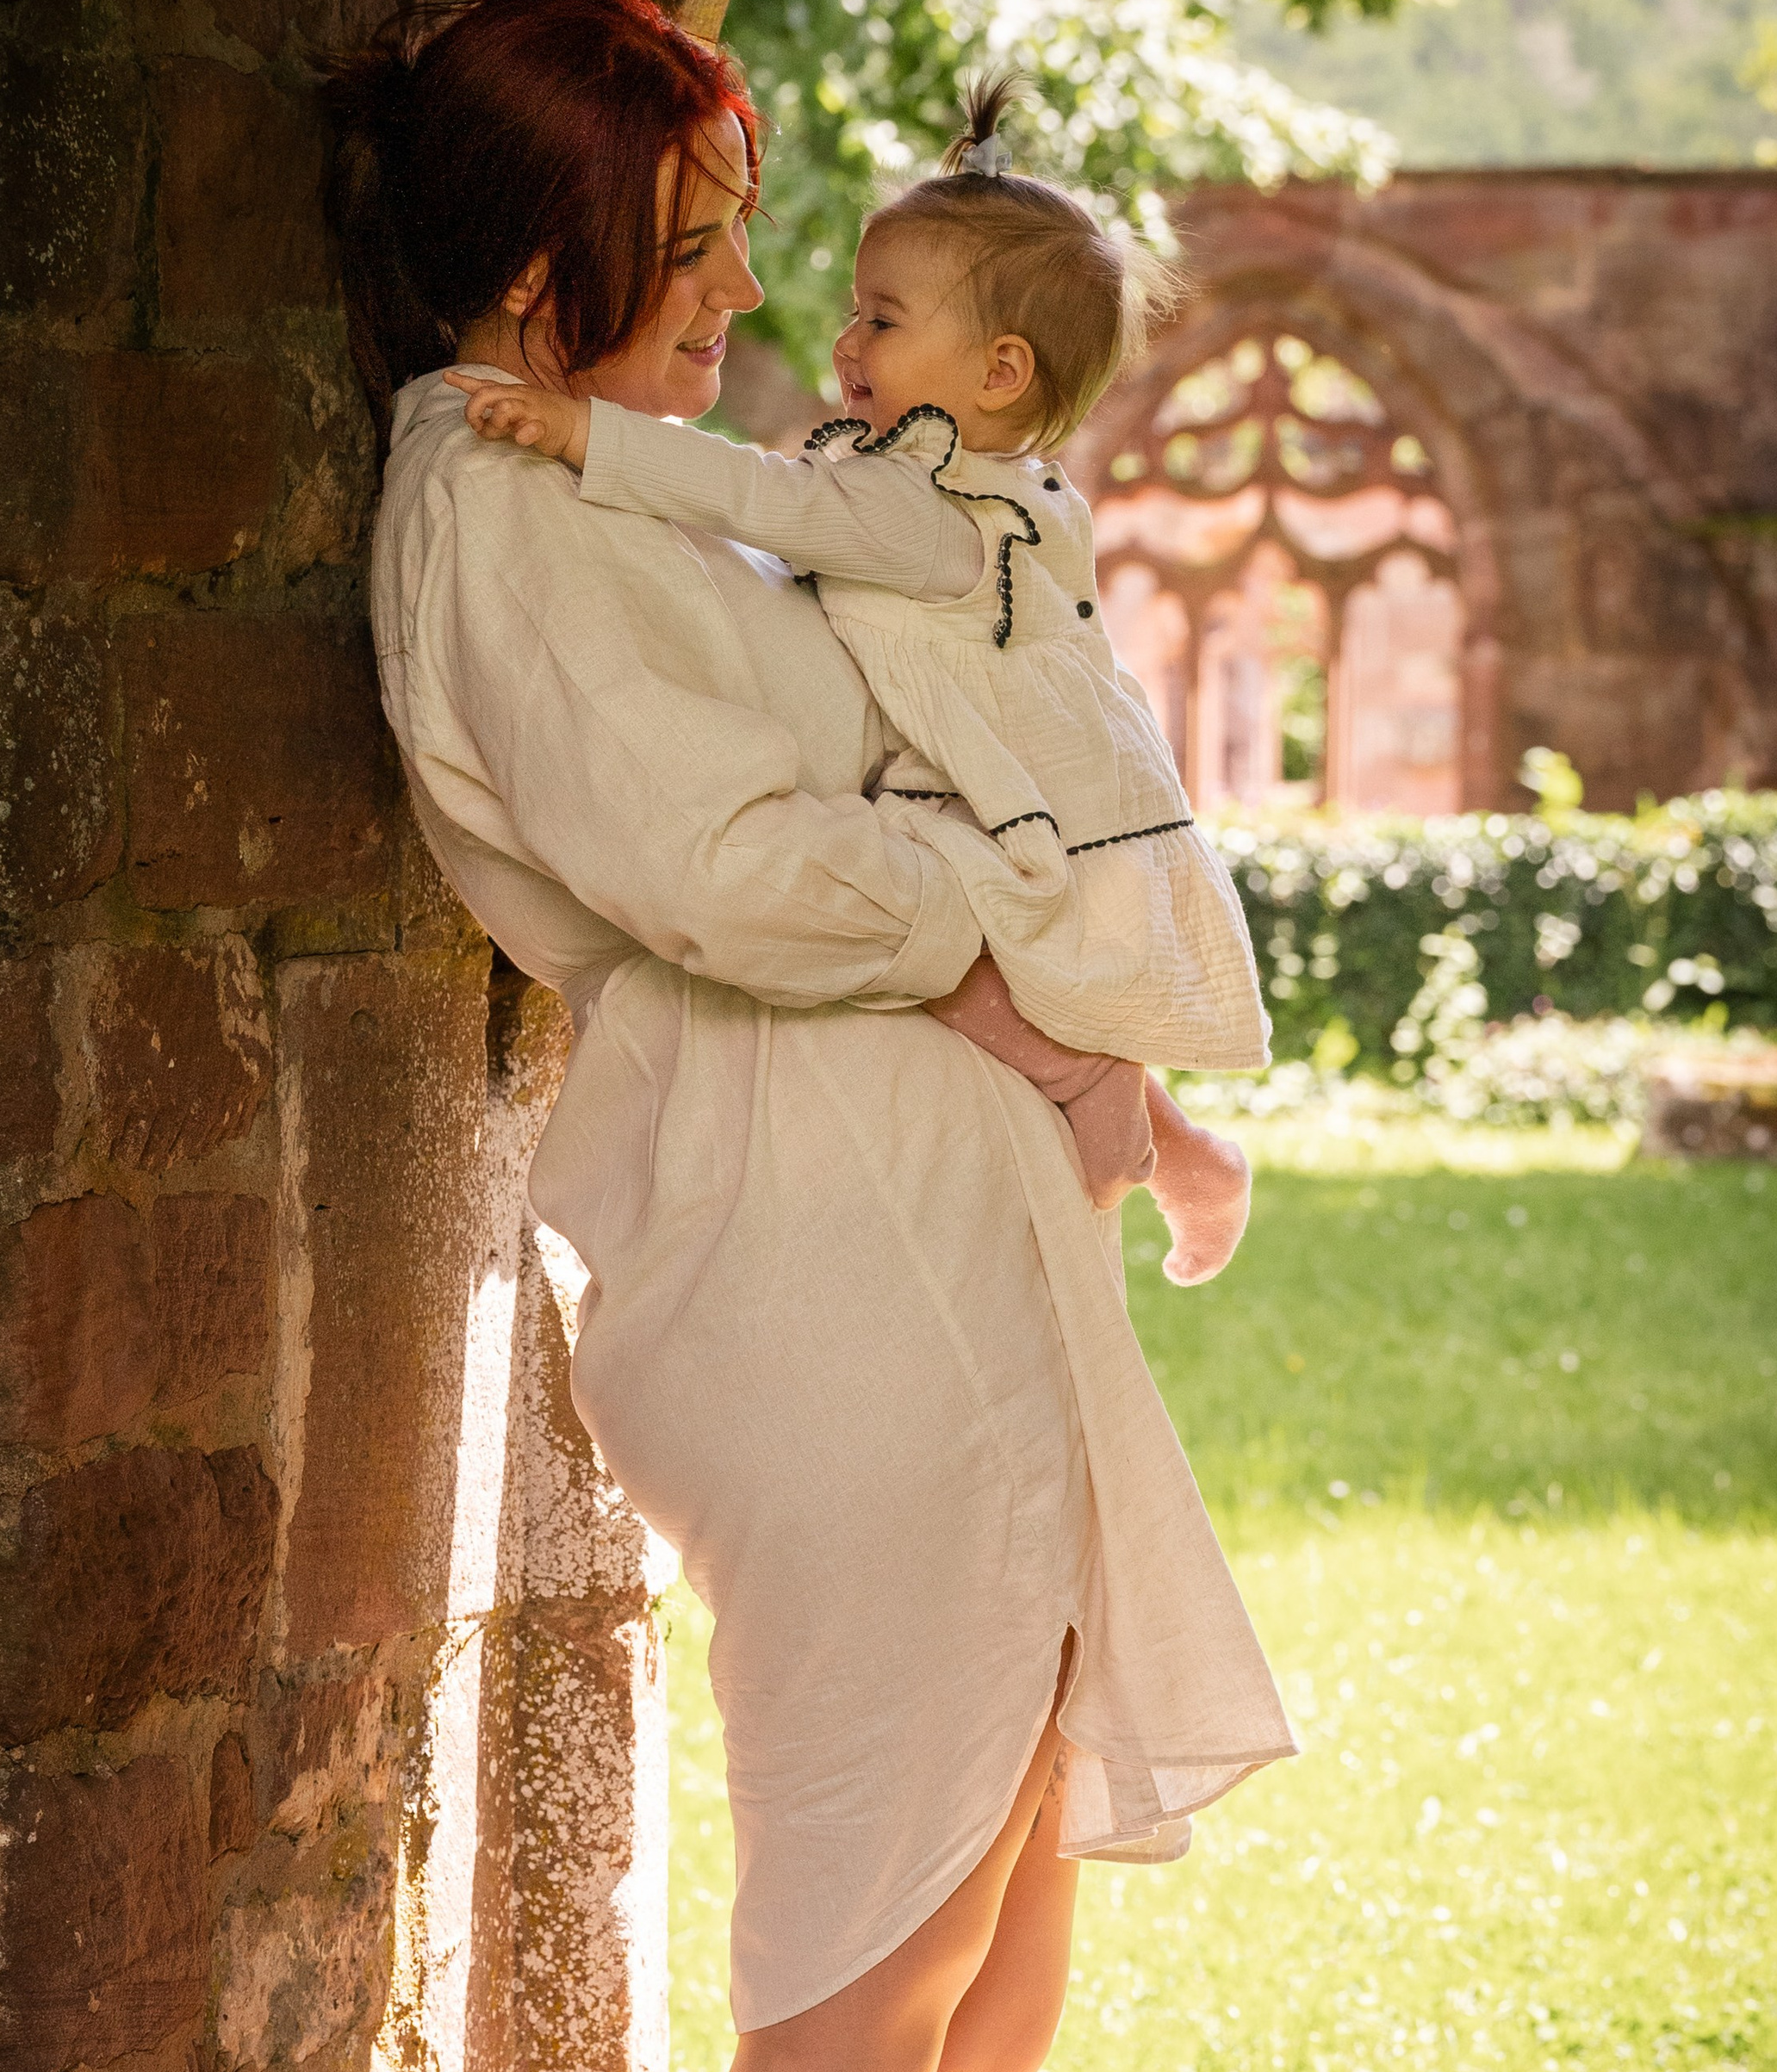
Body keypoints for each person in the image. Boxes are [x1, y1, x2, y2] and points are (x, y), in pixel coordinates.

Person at [323, 0, 1294, 2072]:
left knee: (964, 2005)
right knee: (863, 2008)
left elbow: (876, 749)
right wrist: (1017, 925)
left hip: (926, 1235)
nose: (754, 296)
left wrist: (1067, 1025)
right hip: (805, 1248)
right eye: (698, 239)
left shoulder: (651, 499)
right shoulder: (486, 498)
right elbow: (739, 871)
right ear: (531, 265)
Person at [450, 69, 1263, 1283]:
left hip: (990, 805)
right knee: (1021, 984)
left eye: (883, 319)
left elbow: (759, 496)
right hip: (1006, 786)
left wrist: (585, 435)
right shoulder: (957, 487)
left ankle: (1119, 1143)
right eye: (859, 308)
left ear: (997, 374)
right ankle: (1180, 1152)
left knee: (1003, 1002)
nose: (844, 341)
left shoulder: (926, 511)